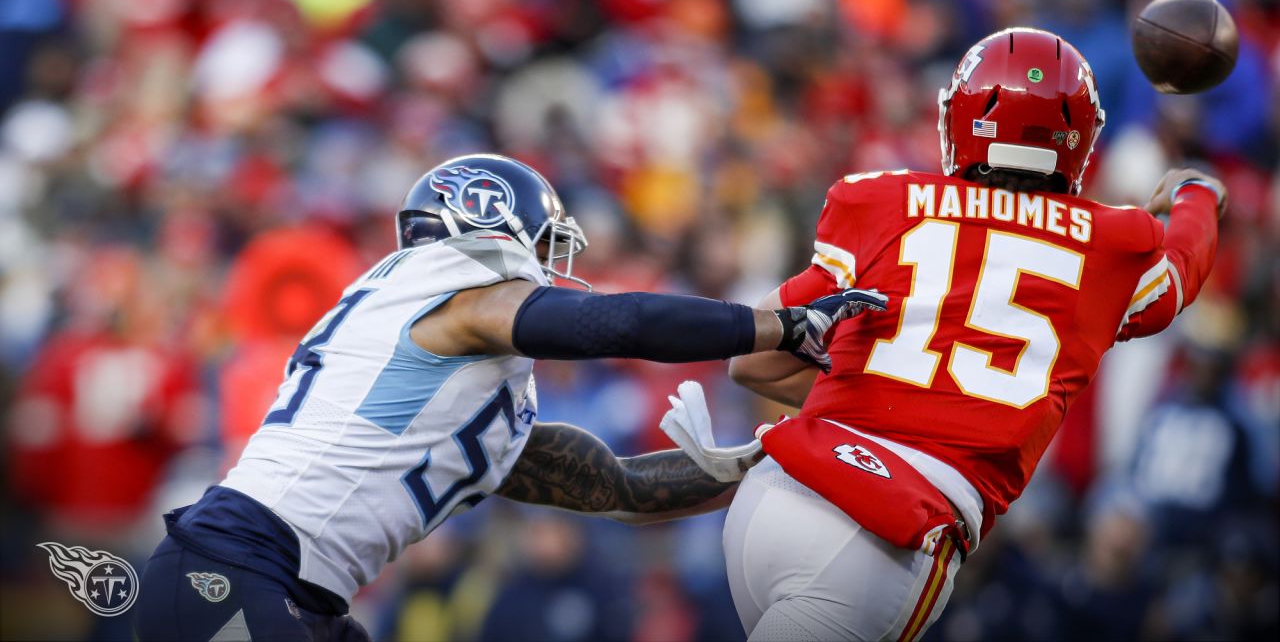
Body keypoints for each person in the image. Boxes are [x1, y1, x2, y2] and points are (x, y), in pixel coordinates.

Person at [131, 153, 887, 641]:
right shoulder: (449, 289)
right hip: (234, 569)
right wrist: (779, 324)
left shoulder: (463, 390)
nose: (553, 271)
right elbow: (609, 322)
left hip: (293, 596)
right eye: (546, 247)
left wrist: (775, 454)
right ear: (493, 225)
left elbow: (619, 489)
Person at [711, 27, 1225, 641]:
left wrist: (881, 388)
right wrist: (1197, 195)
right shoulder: (1113, 243)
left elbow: (751, 360)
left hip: (772, 497)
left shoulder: (884, 200)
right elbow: (1179, 278)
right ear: (1080, 140)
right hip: (885, 533)